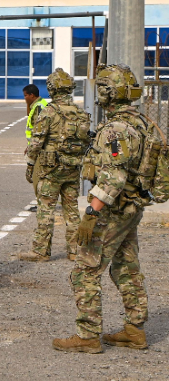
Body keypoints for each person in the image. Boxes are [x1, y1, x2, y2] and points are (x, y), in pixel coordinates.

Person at [54, 64, 149, 354]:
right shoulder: (141, 122)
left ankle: (88, 335)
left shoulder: (115, 130)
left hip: (112, 210)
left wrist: (92, 213)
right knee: (126, 266)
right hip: (132, 207)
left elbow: (114, 178)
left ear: (108, 93)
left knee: (84, 270)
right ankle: (134, 329)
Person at [19, 69, 89, 263]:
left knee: (46, 209)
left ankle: (41, 251)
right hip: (73, 167)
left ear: (51, 89)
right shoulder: (80, 113)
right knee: (72, 210)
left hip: (50, 169)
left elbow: (36, 141)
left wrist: (30, 165)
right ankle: (74, 251)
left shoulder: (49, 112)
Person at [23, 84, 48, 212]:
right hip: (37, 146)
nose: (25, 98)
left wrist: (32, 148)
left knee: (37, 177)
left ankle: (41, 206)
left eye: (26, 96)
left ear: (32, 95)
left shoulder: (38, 107)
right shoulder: (38, 104)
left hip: (39, 149)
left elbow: (38, 131)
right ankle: (41, 204)